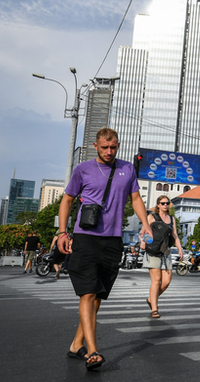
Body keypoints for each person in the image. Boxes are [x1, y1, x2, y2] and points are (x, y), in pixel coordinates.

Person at [56, 128, 151, 371]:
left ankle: (76, 343)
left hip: (113, 240)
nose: (109, 151)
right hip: (85, 238)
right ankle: (93, 351)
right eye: (105, 147)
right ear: (96, 146)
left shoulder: (127, 168)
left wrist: (146, 224)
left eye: (114, 147)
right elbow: (67, 200)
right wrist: (62, 232)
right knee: (87, 293)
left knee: (97, 296)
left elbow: (136, 199)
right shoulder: (83, 169)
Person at [141, 195, 183, 319]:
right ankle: (154, 309)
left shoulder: (171, 218)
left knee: (166, 282)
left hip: (165, 252)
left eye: (167, 203)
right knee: (156, 280)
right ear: (158, 205)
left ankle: (150, 299)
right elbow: (144, 232)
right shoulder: (151, 217)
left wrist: (180, 248)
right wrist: (144, 241)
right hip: (153, 251)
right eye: (163, 203)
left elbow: (174, 235)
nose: (165, 205)